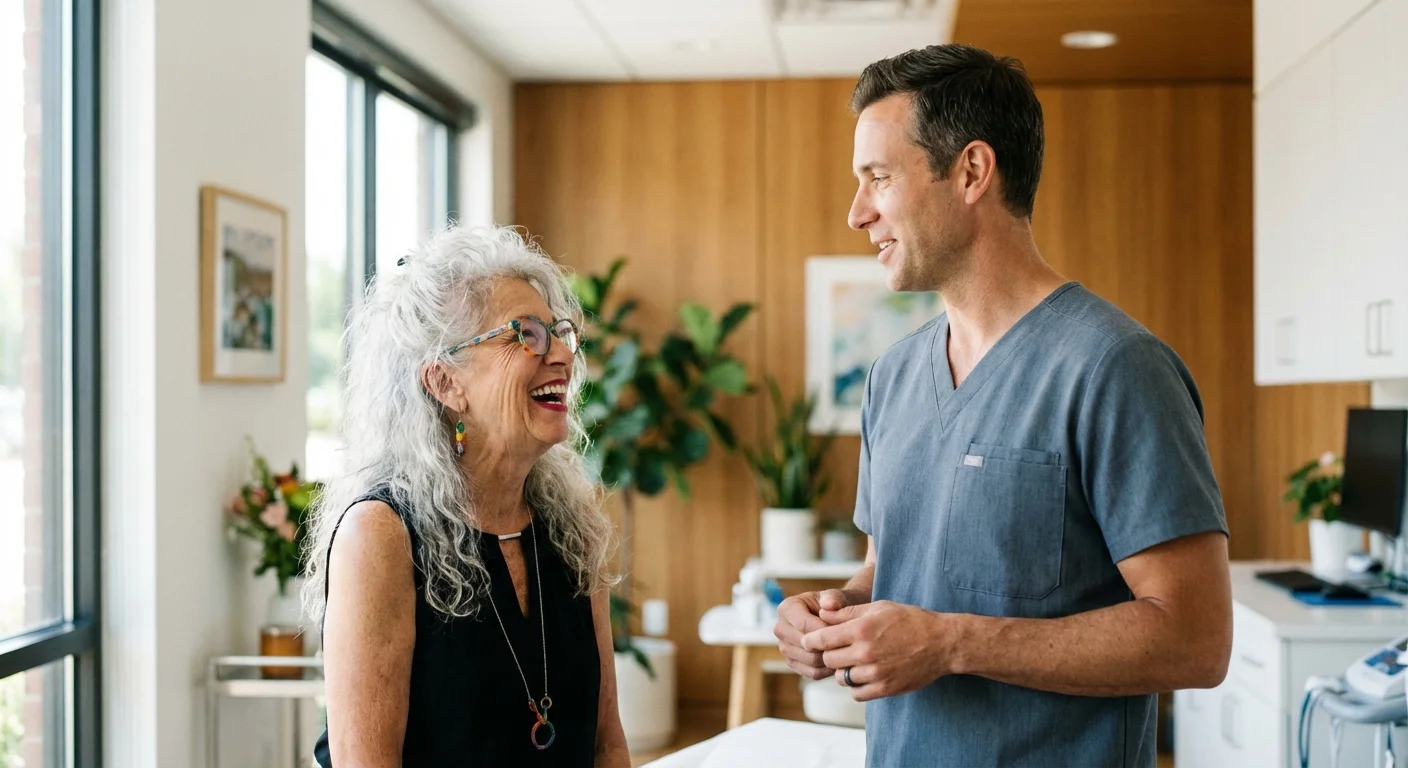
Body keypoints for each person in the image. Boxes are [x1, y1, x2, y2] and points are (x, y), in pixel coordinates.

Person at [773, 44, 1233, 766]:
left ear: (971, 172)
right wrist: (832, 617)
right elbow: (888, 571)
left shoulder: (1116, 368)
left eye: (879, 179)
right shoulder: (893, 377)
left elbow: (1195, 640)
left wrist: (952, 643)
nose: (857, 212)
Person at [303, 225, 630, 766]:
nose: (563, 358)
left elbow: (607, 745)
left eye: (559, 332)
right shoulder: (380, 536)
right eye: (525, 334)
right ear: (445, 382)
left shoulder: (573, 525)